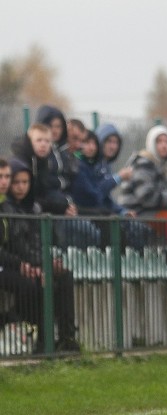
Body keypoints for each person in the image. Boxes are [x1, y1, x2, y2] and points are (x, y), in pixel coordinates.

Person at [0, 157, 79, 352]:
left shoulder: (32, 208)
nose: (6, 182)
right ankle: (42, 340)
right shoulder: (7, 208)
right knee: (38, 284)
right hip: (13, 264)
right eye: (4, 177)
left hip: (22, 262)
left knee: (64, 275)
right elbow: (14, 244)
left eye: (7, 177)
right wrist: (29, 265)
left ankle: (67, 338)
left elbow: (37, 242)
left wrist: (46, 262)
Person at [11, 122, 101, 249]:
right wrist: (61, 207)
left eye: (47, 141)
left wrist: (66, 206)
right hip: (29, 215)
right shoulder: (22, 163)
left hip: (50, 211)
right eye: (39, 140)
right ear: (29, 141)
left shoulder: (45, 163)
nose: (43, 144)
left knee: (89, 230)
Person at [117, 125, 167, 217]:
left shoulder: (164, 165)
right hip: (135, 213)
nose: (164, 145)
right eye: (159, 141)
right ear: (151, 143)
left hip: (150, 211)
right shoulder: (143, 164)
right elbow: (147, 198)